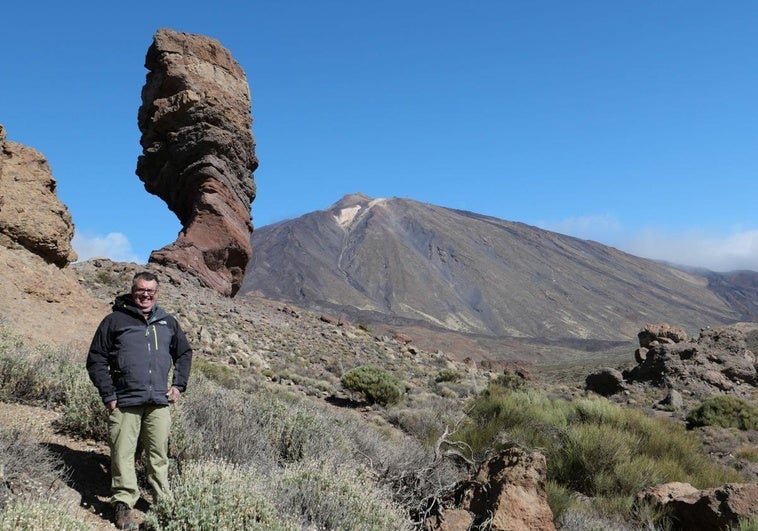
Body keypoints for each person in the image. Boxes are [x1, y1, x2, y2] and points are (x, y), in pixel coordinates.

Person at [86, 271, 192, 529]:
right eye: (140, 290)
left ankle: (162, 503)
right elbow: (96, 359)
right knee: (123, 452)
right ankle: (123, 504)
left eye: (150, 291)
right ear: (133, 291)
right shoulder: (115, 320)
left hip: (158, 401)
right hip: (125, 401)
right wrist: (109, 394)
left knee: (158, 455)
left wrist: (178, 385)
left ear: (157, 293)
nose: (145, 295)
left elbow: (185, 353)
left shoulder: (168, 322)